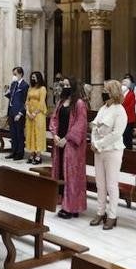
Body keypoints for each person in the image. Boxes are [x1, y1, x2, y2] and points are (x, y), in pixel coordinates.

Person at [89, 79, 127, 230]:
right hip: (99, 150)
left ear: (113, 92)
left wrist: (98, 144)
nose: (104, 92)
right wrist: (93, 142)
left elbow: (116, 134)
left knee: (111, 184)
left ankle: (112, 215)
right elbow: (94, 125)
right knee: (100, 183)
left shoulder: (120, 111)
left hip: (113, 150)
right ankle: (100, 211)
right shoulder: (103, 108)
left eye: (106, 90)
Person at [50, 78, 88, 218]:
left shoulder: (79, 104)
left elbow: (81, 124)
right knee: (61, 173)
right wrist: (54, 135)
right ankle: (64, 202)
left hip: (72, 145)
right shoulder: (60, 102)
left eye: (67, 85)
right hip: (59, 143)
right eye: (63, 85)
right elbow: (54, 119)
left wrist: (67, 139)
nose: (65, 87)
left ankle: (72, 207)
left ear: (73, 86)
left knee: (72, 176)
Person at [4, 68, 28, 160]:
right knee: (13, 134)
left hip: (18, 112)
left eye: (15, 74)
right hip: (11, 111)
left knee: (19, 133)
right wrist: (6, 92)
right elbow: (11, 96)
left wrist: (21, 113)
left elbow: (25, 101)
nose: (14, 76)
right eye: (13, 74)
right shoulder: (13, 84)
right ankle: (13, 151)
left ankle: (20, 153)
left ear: (21, 74)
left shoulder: (25, 85)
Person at [25, 72, 48, 164]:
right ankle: (31, 154)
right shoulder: (30, 88)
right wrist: (27, 111)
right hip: (29, 114)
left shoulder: (42, 89)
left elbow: (42, 103)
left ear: (39, 78)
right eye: (32, 77)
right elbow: (27, 101)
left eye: (34, 77)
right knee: (30, 133)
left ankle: (38, 155)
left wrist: (35, 113)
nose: (33, 79)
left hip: (39, 114)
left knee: (38, 133)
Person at [121, 75, 136, 149]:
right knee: (122, 135)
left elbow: (131, 106)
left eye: (124, 84)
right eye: (122, 84)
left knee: (127, 136)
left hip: (129, 119)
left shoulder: (131, 94)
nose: (122, 86)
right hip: (121, 118)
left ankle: (129, 150)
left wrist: (122, 112)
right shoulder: (120, 94)